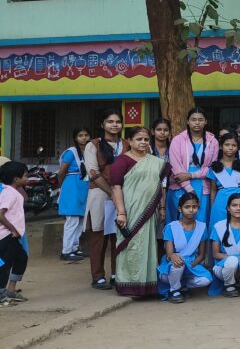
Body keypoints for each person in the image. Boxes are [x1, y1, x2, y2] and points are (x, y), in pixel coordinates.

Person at [109, 126, 170, 297]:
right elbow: (115, 187)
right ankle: (128, 284)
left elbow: (159, 187)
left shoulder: (155, 162)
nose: (143, 142)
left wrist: (162, 207)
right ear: (129, 141)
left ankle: (147, 285)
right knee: (131, 246)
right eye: (138, 139)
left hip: (149, 212)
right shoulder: (122, 161)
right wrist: (121, 212)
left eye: (145, 139)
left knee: (147, 246)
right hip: (130, 211)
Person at [84, 110, 125, 290]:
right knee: (98, 236)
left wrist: (118, 195)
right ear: (103, 125)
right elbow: (93, 174)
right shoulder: (93, 145)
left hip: (122, 194)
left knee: (119, 235)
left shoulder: (126, 144)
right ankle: (98, 276)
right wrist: (112, 192)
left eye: (117, 122)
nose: (114, 125)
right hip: (100, 194)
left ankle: (118, 273)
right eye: (110, 121)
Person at [157, 193, 213, 303]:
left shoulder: (202, 227)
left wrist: (191, 265)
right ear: (180, 208)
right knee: (178, 265)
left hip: (192, 264)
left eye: (194, 207)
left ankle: (182, 284)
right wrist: (174, 257)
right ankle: (175, 290)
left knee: (206, 280)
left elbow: (201, 255)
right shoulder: (171, 227)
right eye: (187, 207)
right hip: (173, 263)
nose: (191, 210)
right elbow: (170, 254)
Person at [168, 107, 218, 224]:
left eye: (200, 119)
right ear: (187, 121)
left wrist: (190, 175)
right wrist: (189, 189)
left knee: (201, 221)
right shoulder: (178, 140)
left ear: (206, 121)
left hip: (203, 186)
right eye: (193, 119)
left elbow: (212, 168)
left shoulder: (213, 141)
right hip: (181, 186)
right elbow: (176, 167)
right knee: (180, 222)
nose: (197, 122)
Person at [57, 127, 91, 262]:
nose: (84, 138)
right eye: (80, 135)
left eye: (86, 135)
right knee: (72, 220)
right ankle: (66, 251)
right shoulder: (71, 152)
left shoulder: (88, 152)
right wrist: (63, 187)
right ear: (75, 138)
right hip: (72, 186)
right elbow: (62, 172)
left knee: (80, 220)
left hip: (83, 186)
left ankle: (75, 248)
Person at [207, 133, 240, 228]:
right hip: (220, 202)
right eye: (227, 145)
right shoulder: (215, 166)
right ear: (221, 146)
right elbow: (213, 190)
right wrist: (213, 208)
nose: (230, 148)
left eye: (234, 145)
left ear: (237, 147)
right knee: (219, 229)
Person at [0, 161, 29, 305]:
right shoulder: (10, 193)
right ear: (16, 179)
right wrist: (12, 229)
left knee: (21, 258)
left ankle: (11, 290)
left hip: (11, 236)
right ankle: (1, 295)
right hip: (6, 236)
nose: (27, 178)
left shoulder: (10, 191)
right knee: (4, 265)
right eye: (25, 176)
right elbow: (0, 213)